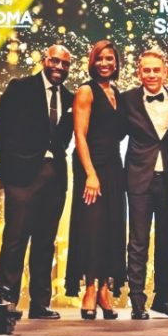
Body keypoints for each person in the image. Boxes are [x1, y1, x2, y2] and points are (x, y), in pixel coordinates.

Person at [0, 44, 74, 320]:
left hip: (55, 176)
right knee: (15, 240)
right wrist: (12, 164)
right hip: (22, 176)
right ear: (45, 60)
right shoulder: (21, 87)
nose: (59, 67)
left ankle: (40, 304)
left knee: (45, 242)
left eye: (65, 64)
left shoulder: (70, 97)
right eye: (55, 61)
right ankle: (6, 302)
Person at [65, 40, 126, 320]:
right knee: (91, 229)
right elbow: (80, 135)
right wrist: (90, 174)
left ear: (116, 63)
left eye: (109, 58)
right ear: (92, 62)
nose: (105, 63)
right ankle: (89, 289)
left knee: (112, 228)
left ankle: (104, 290)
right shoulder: (86, 91)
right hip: (91, 167)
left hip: (114, 167)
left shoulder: (116, 93)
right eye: (100, 58)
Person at [123, 49, 168, 320]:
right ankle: (137, 300)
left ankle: (163, 297)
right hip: (139, 178)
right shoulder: (127, 100)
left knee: (167, 240)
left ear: (165, 71)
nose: (152, 74)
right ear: (139, 72)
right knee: (138, 241)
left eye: (156, 70)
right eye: (146, 70)